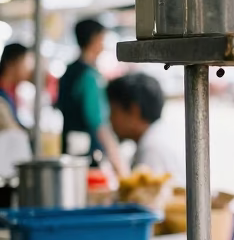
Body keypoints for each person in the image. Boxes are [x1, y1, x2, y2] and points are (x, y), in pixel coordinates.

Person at [56, 19, 127, 176]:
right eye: (102, 38)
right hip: (90, 158)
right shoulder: (90, 77)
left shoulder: (68, 72)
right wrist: (120, 168)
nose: (104, 44)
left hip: (69, 152)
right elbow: (99, 123)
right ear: (94, 38)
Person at [107, 72, 185, 181]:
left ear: (134, 111)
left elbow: (146, 191)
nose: (110, 119)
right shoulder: (162, 134)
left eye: (113, 111)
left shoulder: (152, 147)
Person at [0, 43, 33, 132]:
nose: (28, 69)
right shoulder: (2, 95)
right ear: (11, 63)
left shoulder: (11, 91)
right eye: (25, 62)